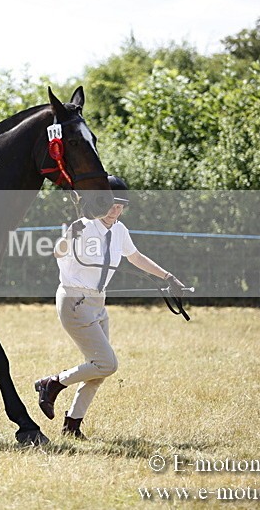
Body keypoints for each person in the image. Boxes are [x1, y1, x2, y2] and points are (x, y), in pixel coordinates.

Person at [34, 175, 186, 439]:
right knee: (107, 363)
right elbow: (58, 252)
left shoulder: (120, 230)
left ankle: (72, 425)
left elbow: (135, 256)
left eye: (121, 206)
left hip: (98, 303)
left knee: (98, 367)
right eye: (111, 205)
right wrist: (69, 236)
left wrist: (169, 277)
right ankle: (52, 384)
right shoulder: (81, 226)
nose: (115, 211)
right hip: (75, 302)